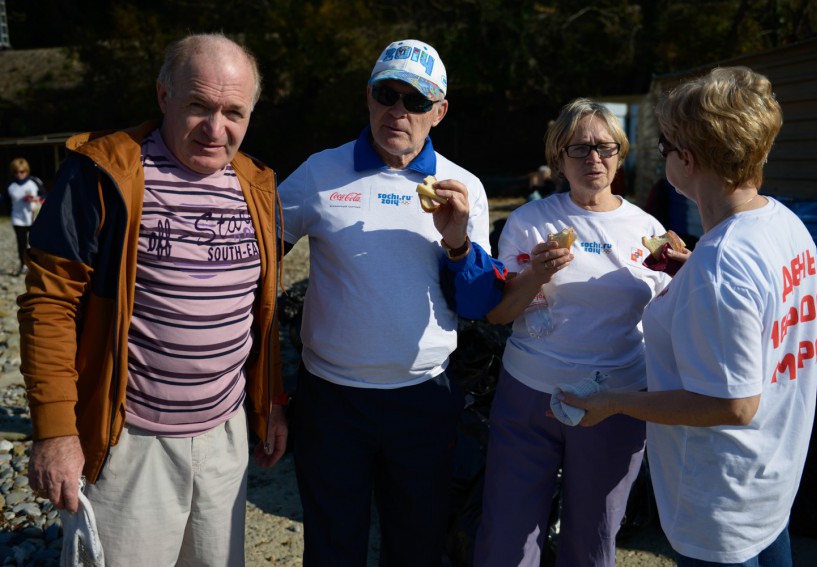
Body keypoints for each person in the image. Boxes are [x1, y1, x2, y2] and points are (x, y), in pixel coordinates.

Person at [18, 33, 288, 566]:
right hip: (128, 442)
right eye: (199, 106)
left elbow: (258, 312)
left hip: (225, 438)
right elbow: (48, 306)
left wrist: (271, 401)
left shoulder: (258, 186)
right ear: (164, 95)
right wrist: (56, 432)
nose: (216, 129)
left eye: (234, 112)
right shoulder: (102, 174)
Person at [562, 66, 817, 566]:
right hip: (770, 479)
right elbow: (766, 320)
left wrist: (613, 402)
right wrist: (692, 275)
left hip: (720, 501)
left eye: (665, 147)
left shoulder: (722, 263)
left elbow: (733, 404)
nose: (663, 157)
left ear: (688, 158)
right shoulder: (784, 224)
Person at [278, 38, 506, 566]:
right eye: (387, 94)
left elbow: (478, 305)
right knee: (332, 546)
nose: (398, 111)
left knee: (416, 546)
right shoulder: (319, 173)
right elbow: (254, 257)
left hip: (423, 398)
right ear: (369, 97)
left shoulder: (462, 186)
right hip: (332, 398)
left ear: (439, 112)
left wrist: (457, 242)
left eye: (416, 101)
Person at [474, 98, 673, 567]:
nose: (594, 158)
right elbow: (499, 315)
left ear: (620, 154)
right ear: (558, 158)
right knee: (507, 537)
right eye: (579, 148)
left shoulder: (647, 229)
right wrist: (536, 275)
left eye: (605, 147)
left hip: (616, 401)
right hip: (530, 394)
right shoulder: (530, 222)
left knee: (593, 537)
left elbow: (666, 317)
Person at [6, 158, 43, 275]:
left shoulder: (34, 181)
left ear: (27, 170)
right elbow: (6, 200)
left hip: (34, 218)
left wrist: (38, 198)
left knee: (37, 244)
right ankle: (23, 265)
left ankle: (38, 265)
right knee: (21, 243)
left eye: (22, 171)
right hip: (18, 219)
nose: (19, 174)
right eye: (16, 172)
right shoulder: (10, 184)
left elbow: (45, 195)